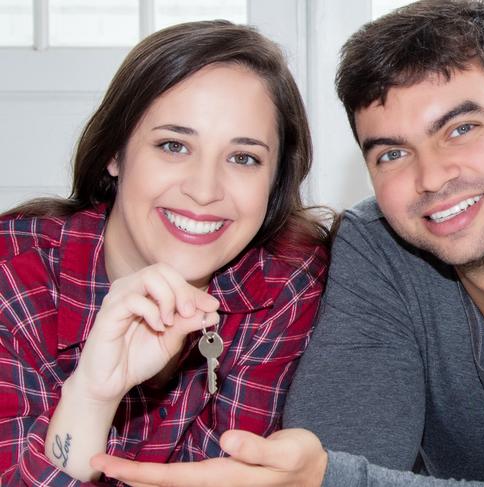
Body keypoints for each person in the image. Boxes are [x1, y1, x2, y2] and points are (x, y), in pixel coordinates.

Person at [91, 0, 484, 486]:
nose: (431, 178)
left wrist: (331, 478)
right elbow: (346, 452)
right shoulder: (380, 247)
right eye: (392, 153)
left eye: (461, 129)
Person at [0, 18, 331, 485]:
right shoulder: (12, 279)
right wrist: (92, 395)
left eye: (243, 158)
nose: (203, 189)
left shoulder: (286, 285)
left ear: (275, 183)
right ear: (115, 153)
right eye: (174, 145)